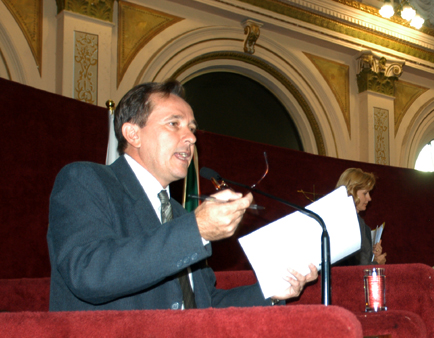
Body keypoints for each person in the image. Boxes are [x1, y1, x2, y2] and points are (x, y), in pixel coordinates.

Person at [48, 80, 317, 311]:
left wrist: (270, 290)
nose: (190, 137)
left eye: (191, 128)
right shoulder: (86, 181)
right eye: (174, 123)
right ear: (132, 133)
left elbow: (206, 305)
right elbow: (88, 273)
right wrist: (196, 229)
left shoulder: (178, 214)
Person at [334, 168, 386, 266]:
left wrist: (373, 256)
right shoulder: (345, 223)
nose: (369, 198)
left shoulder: (361, 225)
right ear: (351, 191)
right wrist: (376, 263)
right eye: (365, 193)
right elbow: (353, 271)